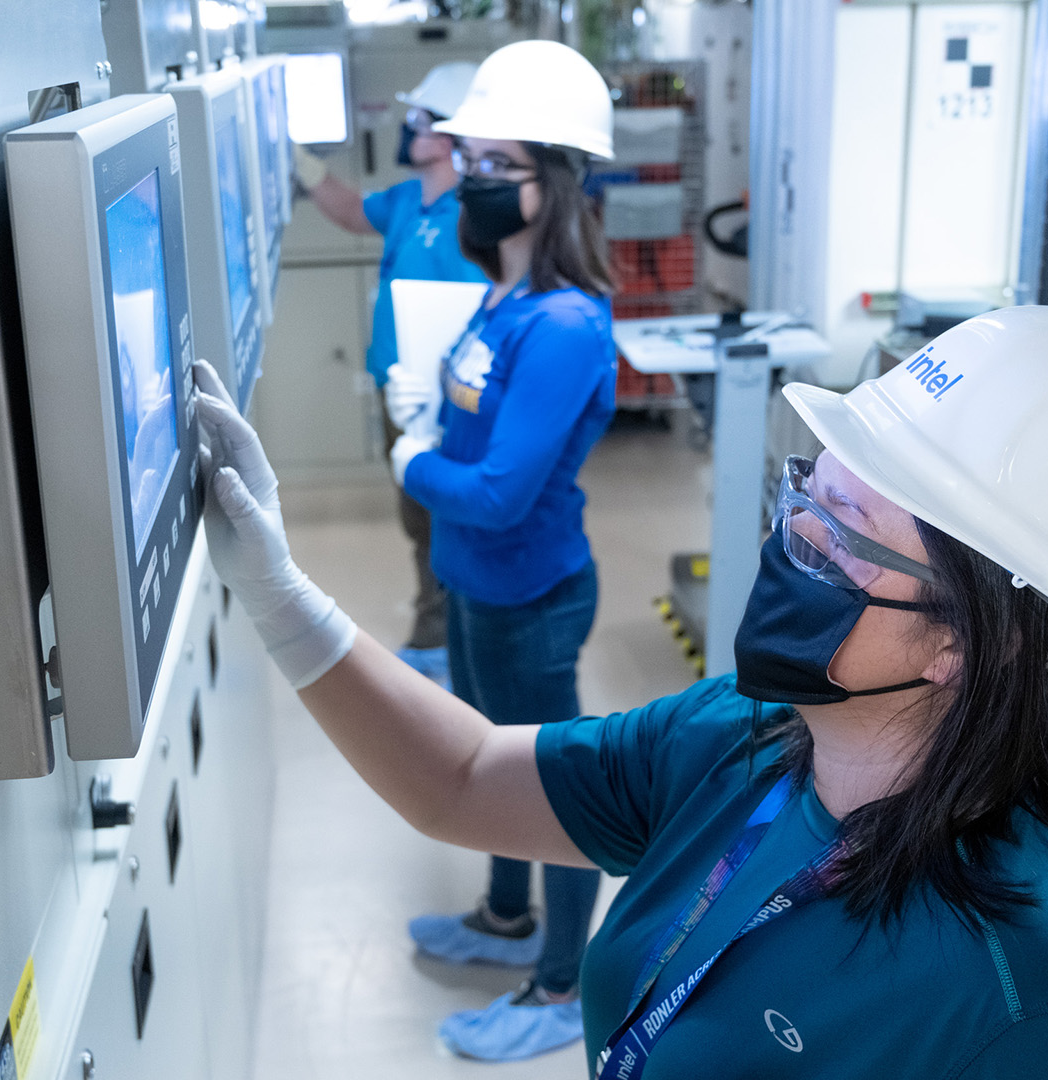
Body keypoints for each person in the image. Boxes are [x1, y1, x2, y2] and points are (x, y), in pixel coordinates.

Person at [195, 299, 1048, 1076]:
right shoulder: (745, 738)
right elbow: (461, 779)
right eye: (805, 501)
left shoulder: (1039, 1006)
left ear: (966, 641)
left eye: (841, 539)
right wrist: (280, 595)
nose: (792, 547)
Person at [371, 39, 623, 1062]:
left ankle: (564, 984)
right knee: (486, 769)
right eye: (466, 159)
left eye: (492, 167)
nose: (466, 178)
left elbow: (497, 490)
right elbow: (476, 428)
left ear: (552, 182)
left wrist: (410, 457)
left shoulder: (563, 323)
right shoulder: (502, 296)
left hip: (529, 593)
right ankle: (504, 918)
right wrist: (429, 416)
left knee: (550, 793)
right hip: (475, 581)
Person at [294, 60, 488, 686]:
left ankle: (447, 640)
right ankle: (438, 628)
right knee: (417, 514)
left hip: (452, 394)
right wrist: (301, 165)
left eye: (418, 119)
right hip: (397, 385)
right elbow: (353, 213)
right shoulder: (408, 200)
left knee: (448, 513)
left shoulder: (479, 209)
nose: (406, 127)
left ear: (450, 135)